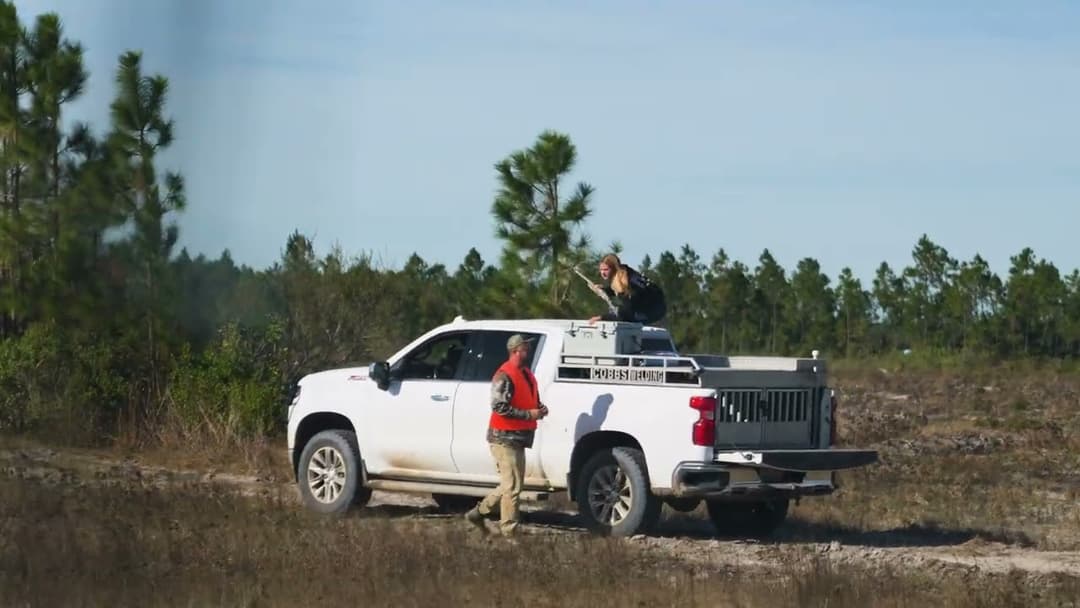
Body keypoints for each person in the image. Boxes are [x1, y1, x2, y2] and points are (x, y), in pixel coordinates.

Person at [465, 334, 548, 537]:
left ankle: (478, 513)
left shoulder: (526, 374)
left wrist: (540, 408)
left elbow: (531, 399)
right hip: (503, 437)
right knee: (512, 487)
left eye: (527, 349)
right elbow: (499, 407)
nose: (527, 352)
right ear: (514, 351)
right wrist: (530, 414)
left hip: (518, 437)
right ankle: (509, 532)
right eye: (524, 349)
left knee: (510, 485)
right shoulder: (504, 375)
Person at [587, 253, 667, 325]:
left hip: (655, 310)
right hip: (649, 304)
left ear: (615, 269)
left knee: (626, 318)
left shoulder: (627, 284)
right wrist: (604, 290)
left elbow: (624, 313)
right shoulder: (623, 273)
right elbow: (616, 291)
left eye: (606, 270)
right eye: (601, 270)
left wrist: (601, 318)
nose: (602, 273)